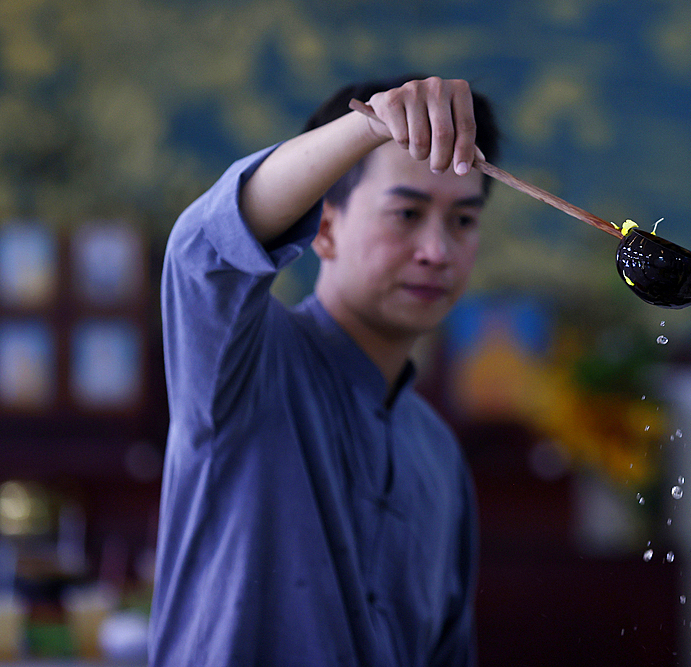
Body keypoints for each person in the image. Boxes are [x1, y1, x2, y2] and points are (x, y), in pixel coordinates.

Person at [149, 74, 501, 666]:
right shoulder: (247, 365)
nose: (437, 251)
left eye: (462, 221)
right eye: (407, 213)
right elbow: (204, 251)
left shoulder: (439, 455)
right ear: (327, 227)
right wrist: (369, 126)